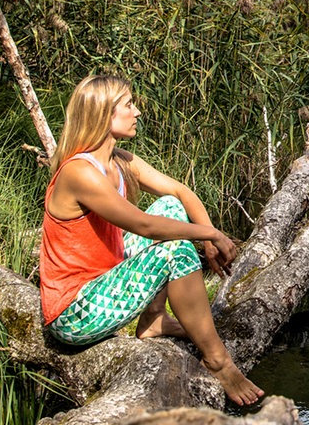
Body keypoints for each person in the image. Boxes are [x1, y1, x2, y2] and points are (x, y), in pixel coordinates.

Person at [39, 73, 264, 406]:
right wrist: (209, 233)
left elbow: (179, 191)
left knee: (171, 207)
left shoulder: (119, 160)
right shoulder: (79, 172)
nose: (137, 112)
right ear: (104, 114)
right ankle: (218, 361)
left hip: (104, 279)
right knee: (172, 250)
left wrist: (209, 241)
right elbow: (145, 226)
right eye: (128, 105)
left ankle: (154, 320)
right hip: (74, 311)